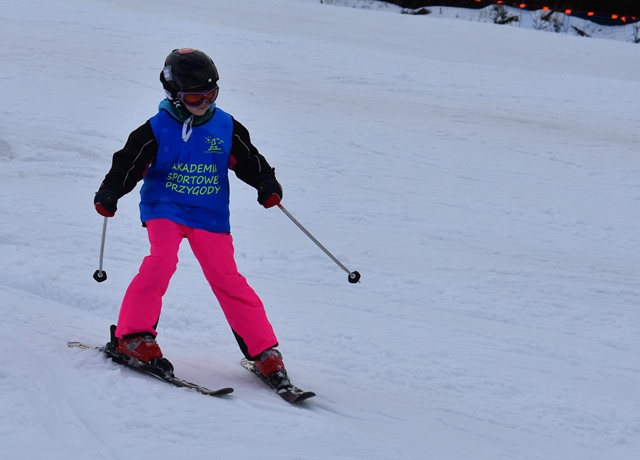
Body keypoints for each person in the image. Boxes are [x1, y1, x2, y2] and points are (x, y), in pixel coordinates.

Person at [94, 48, 288, 387]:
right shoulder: (156, 129)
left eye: (212, 94)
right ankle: (133, 336)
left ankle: (264, 352)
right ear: (174, 94)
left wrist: (266, 183)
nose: (205, 102)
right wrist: (110, 191)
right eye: (196, 97)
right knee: (161, 261)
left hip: (209, 213)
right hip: (165, 207)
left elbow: (249, 160)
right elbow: (127, 164)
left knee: (227, 277)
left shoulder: (225, 126)